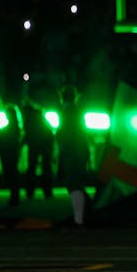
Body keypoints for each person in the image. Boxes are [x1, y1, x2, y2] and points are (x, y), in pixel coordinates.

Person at [56, 84, 92, 226]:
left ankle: (80, 217)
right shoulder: (74, 111)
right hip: (77, 151)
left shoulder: (68, 111)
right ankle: (83, 214)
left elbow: (68, 134)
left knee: (73, 184)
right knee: (76, 184)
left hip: (72, 152)